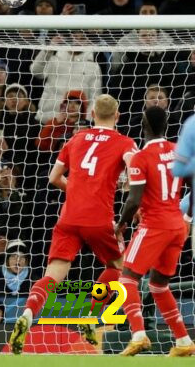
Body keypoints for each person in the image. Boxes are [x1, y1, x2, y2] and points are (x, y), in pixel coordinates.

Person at [8, 94, 138, 354]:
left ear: (90, 115)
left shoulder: (75, 139)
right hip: (99, 217)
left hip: (69, 216)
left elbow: (53, 176)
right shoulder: (125, 142)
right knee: (119, 267)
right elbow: (136, 175)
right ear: (117, 116)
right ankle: (91, 317)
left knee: (53, 273)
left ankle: (27, 314)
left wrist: (77, 190)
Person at [115, 106, 195, 357]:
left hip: (154, 226)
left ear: (144, 125)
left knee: (127, 278)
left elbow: (134, 200)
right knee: (159, 285)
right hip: (176, 225)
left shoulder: (141, 157)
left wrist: (121, 224)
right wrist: (188, 217)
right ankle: (183, 341)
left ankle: (138, 335)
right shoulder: (178, 151)